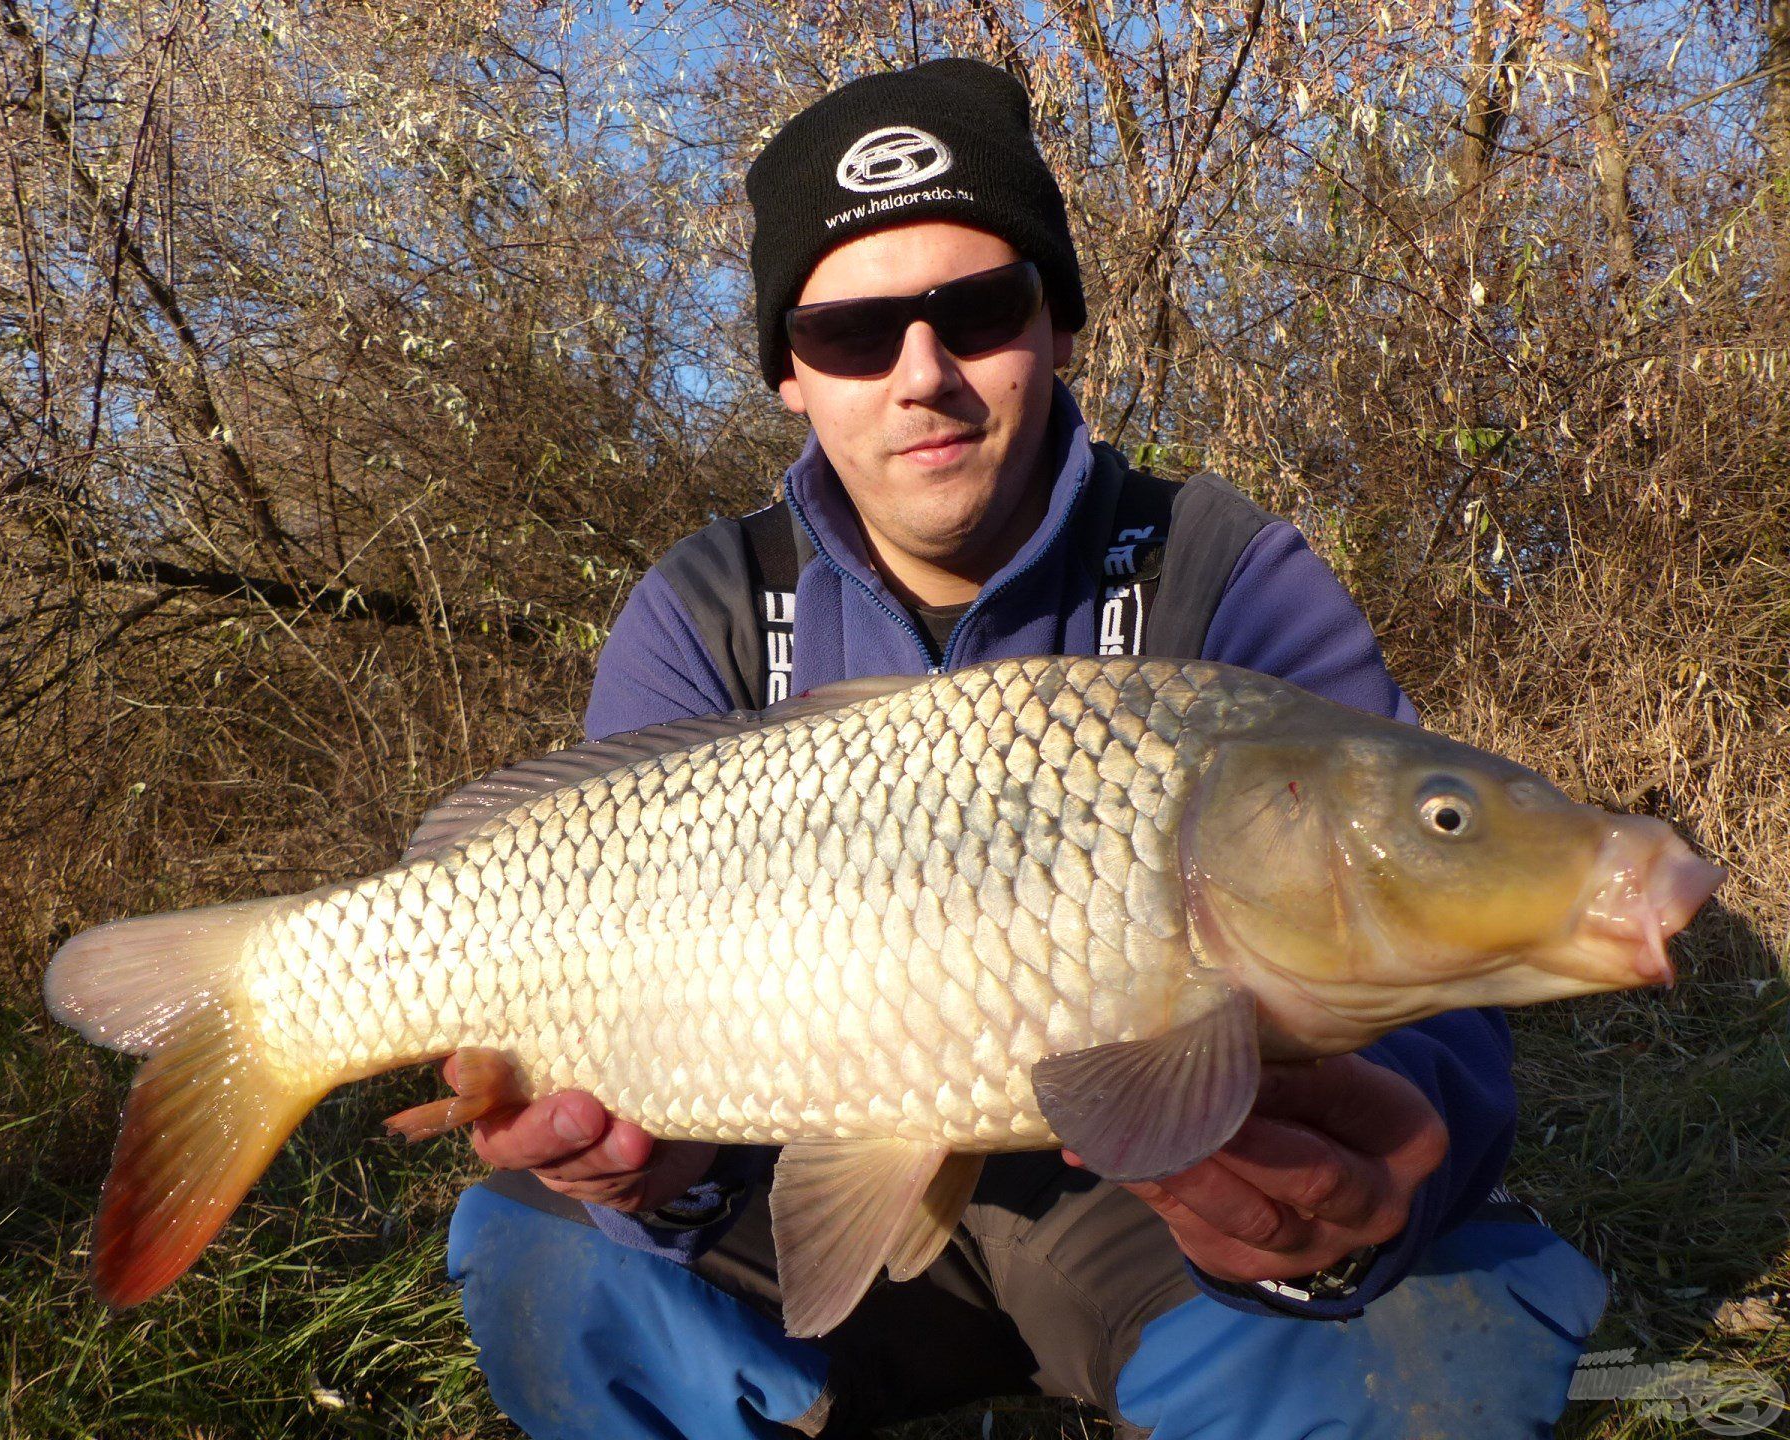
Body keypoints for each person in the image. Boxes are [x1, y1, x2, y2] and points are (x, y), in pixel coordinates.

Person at [441, 57, 1609, 1439]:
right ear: (788, 378)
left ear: (1056, 324)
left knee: (1422, 1345)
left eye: (978, 310)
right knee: (551, 1260)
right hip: (792, 1192)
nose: (921, 375)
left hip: (1149, 1220)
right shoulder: (700, 615)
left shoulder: (1223, 579)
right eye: (855, 336)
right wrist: (651, 1168)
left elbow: (1430, 998)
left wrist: (1370, 1164)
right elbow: (642, 1102)